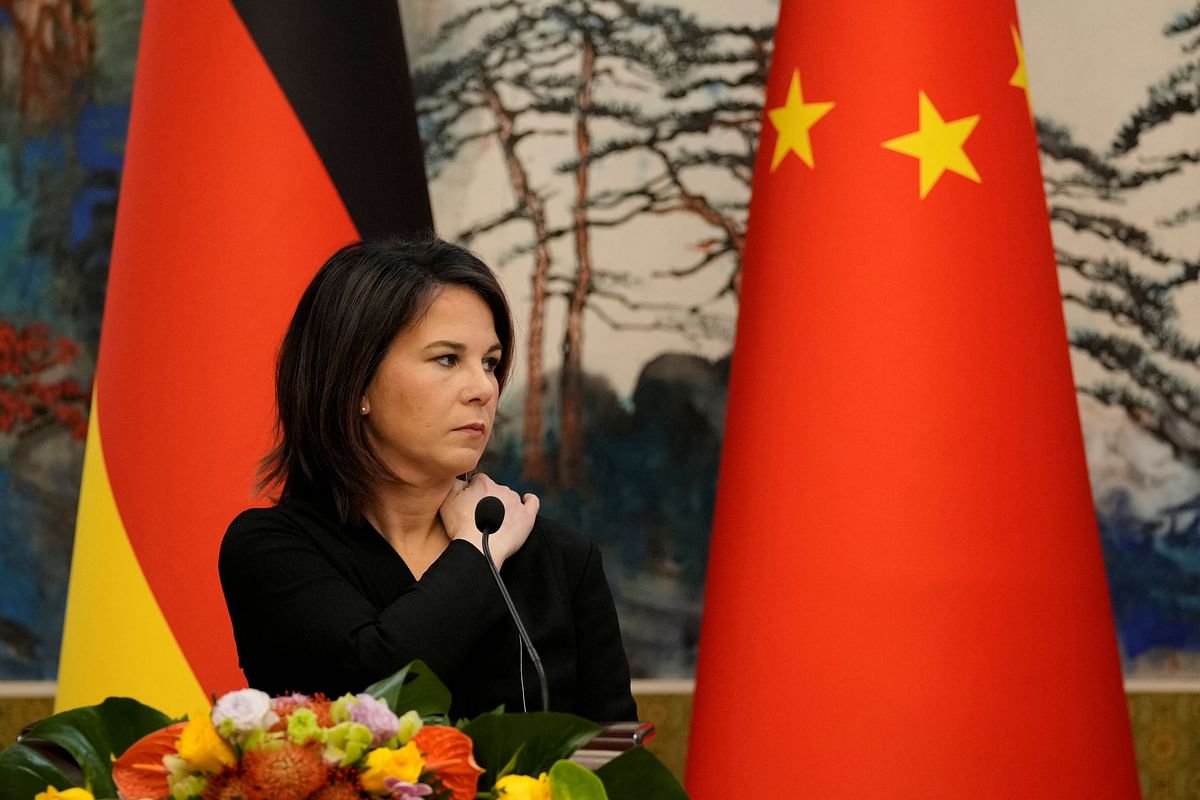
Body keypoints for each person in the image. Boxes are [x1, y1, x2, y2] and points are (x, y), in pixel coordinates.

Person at [218, 237, 636, 722]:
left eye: (490, 363)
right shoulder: (273, 550)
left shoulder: (560, 560)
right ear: (355, 382)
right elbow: (370, 693)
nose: (483, 388)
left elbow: (617, 756)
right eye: (446, 359)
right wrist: (477, 555)